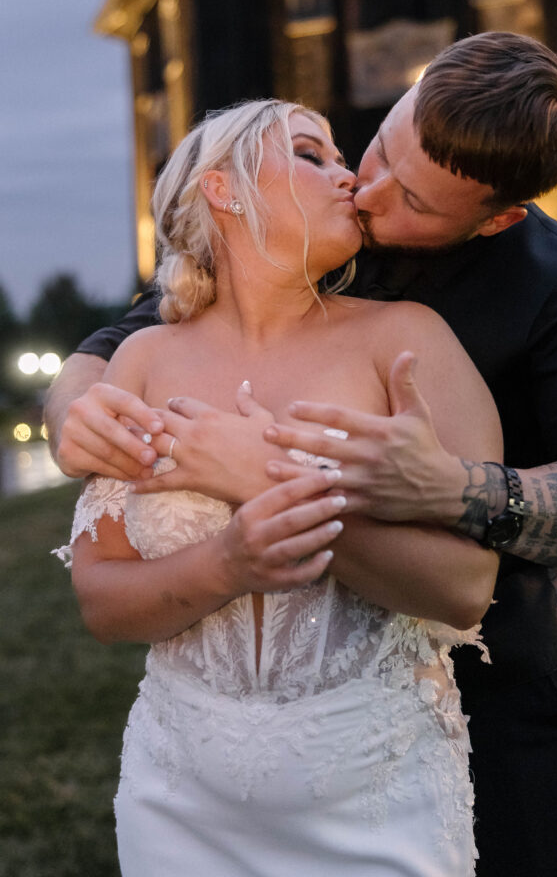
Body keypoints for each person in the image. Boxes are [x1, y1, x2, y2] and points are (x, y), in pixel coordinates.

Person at [47, 33, 557, 877]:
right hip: (199, 755)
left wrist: (457, 489)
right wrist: (74, 416)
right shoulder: (303, 220)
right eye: (373, 147)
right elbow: (129, 340)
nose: (366, 189)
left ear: (495, 217)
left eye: (411, 197)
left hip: (469, 686)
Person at [53, 99, 504, 876]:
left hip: (377, 792)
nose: (349, 178)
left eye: (340, 157)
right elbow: (102, 603)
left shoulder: (407, 341)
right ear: (223, 191)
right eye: (312, 154)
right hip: (180, 799)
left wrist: (269, 484)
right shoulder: (144, 363)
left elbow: (464, 589)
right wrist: (228, 563)